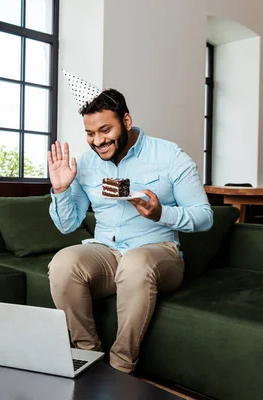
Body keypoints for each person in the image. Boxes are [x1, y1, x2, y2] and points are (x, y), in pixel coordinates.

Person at [47, 71, 213, 374]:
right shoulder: (85, 164)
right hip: (108, 253)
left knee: (136, 263)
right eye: (90, 133)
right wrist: (60, 190)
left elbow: (204, 217)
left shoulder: (170, 155)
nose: (97, 141)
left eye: (105, 130)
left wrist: (161, 213)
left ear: (126, 120)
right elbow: (67, 226)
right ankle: (87, 356)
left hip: (159, 253)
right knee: (63, 262)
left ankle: (121, 368)